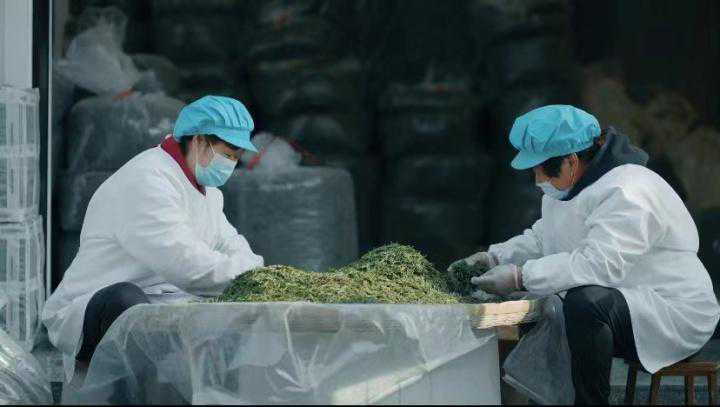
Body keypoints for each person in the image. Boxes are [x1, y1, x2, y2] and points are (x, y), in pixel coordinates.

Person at [448, 105, 720, 405]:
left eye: (541, 170)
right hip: (629, 302)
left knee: (585, 303)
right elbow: (542, 237)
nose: (537, 179)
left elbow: (600, 264)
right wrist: (494, 257)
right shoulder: (567, 189)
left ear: (571, 161)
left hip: (673, 313)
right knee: (552, 302)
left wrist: (520, 276)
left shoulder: (628, 190)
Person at [42, 96, 265, 382]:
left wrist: (254, 274)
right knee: (128, 304)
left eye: (236, 158)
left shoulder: (207, 192)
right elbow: (186, 265)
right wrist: (249, 278)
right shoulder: (147, 180)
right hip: (100, 307)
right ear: (199, 141)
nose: (231, 165)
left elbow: (232, 244)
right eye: (228, 155)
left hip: (164, 300)